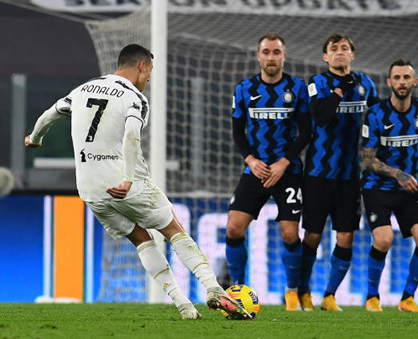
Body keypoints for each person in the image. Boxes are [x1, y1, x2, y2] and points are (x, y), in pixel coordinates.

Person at [25, 44, 251, 320]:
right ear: (141, 66)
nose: (149, 79)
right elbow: (131, 134)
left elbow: (51, 113)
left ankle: (184, 306)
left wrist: (35, 138)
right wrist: (128, 180)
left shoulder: (83, 89)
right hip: (125, 183)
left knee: (140, 238)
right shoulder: (134, 98)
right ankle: (213, 288)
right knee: (174, 230)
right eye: (150, 72)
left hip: (90, 188)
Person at [225, 33, 311, 311]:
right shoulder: (244, 89)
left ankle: (291, 293)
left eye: (276, 52)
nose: (271, 57)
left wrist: (284, 162)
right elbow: (238, 132)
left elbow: (306, 131)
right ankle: (237, 290)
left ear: (284, 56)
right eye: (266, 52)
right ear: (258, 56)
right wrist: (250, 160)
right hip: (256, 170)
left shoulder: (298, 88)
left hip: (287, 170)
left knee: (289, 234)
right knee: (234, 228)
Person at [299, 33, 379, 311]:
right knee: (313, 235)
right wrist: (339, 90)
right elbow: (320, 116)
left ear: (352, 54)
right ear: (325, 56)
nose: (340, 52)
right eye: (334, 49)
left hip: (350, 175)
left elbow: (379, 119)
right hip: (319, 173)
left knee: (346, 236)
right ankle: (303, 291)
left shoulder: (366, 84)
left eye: (345, 48)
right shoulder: (316, 83)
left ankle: (330, 295)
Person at [361, 59, 418, 312]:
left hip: (408, 188)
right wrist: (397, 173)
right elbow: (367, 159)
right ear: (389, 82)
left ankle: (407, 299)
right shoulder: (376, 113)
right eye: (396, 78)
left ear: (414, 82)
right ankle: (371, 298)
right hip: (377, 187)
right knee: (384, 239)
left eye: (406, 78)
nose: (401, 82)